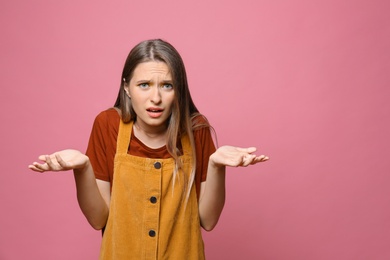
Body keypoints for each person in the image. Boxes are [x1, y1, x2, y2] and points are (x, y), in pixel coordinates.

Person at [28, 39, 269, 259]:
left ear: (179, 90)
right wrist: (83, 169)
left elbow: (208, 220)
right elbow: (98, 218)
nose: (155, 97)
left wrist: (217, 166)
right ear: (126, 88)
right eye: (144, 85)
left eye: (166, 85)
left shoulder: (196, 130)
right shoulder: (107, 125)